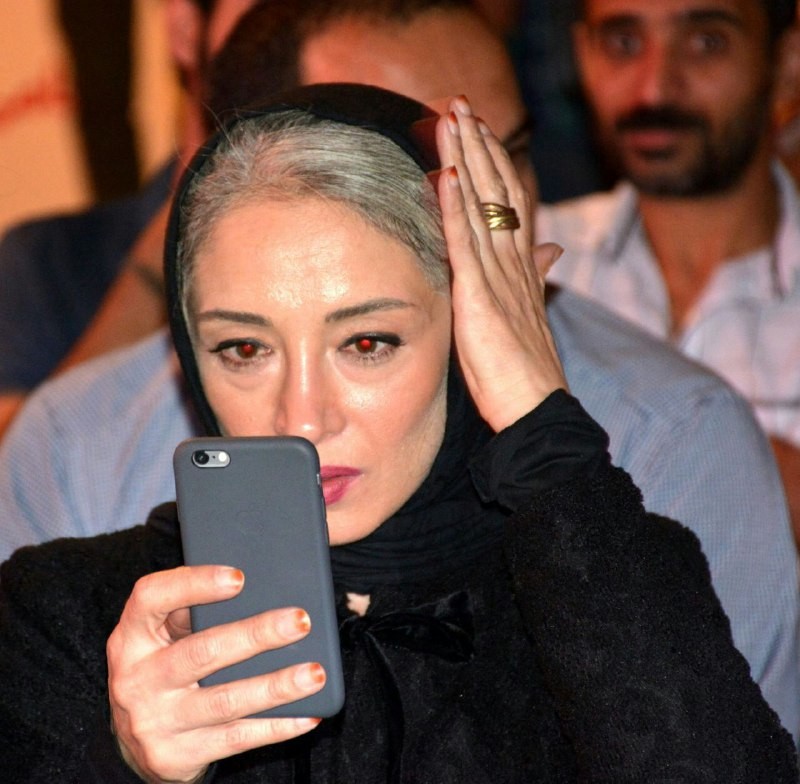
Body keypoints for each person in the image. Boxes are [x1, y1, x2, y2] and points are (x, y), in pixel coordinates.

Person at [1, 0, 798, 742]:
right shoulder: (76, 493)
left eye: (503, 157)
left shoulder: (663, 451)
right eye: (243, 349)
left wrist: (547, 441)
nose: (304, 416)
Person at [540, 0, 800, 544]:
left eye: (707, 42)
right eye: (623, 43)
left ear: (786, 61)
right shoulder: (532, 260)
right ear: (583, 55)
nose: (654, 89)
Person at [0, 0, 254, 438]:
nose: (299, 32)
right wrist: (154, 271)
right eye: (267, 15)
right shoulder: (49, 263)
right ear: (185, 27)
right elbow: (18, 467)